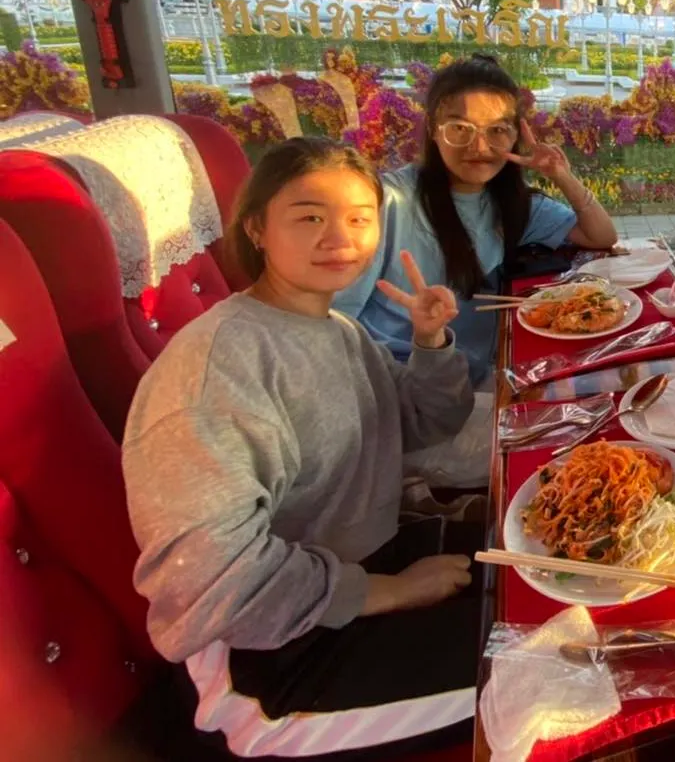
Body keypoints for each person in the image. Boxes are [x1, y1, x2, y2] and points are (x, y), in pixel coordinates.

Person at [123, 138, 481, 758]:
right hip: (274, 659)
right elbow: (216, 581)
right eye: (310, 216)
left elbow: (423, 422)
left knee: (552, 577)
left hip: (357, 566)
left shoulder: (335, 329)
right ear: (257, 228)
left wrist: (430, 341)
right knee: (558, 663)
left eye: (359, 218)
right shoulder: (218, 371)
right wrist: (392, 592)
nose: (339, 238)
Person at [336, 54, 618, 384]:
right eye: (460, 128)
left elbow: (601, 236)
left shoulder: (513, 203)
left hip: (473, 379)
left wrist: (561, 175)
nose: (480, 146)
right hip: (396, 380)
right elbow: (337, 318)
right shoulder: (388, 201)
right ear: (434, 129)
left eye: (497, 130)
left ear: (515, 136)